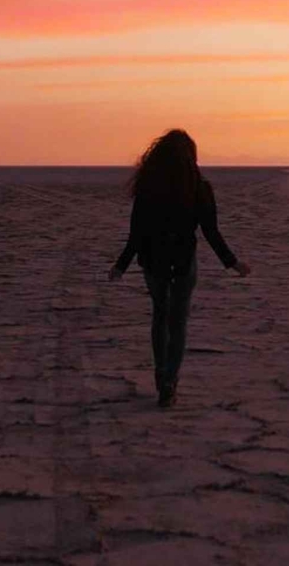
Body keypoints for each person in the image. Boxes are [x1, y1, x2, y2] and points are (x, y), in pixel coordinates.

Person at [108, 129, 250, 407]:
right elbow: (211, 232)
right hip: (183, 261)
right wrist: (232, 263)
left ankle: (162, 374)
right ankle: (171, 381)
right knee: (178, 321)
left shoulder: (149, 188)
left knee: (160, 316)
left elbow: (136, 233)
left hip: (154, 261)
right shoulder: (199, 186)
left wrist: (120, 266)